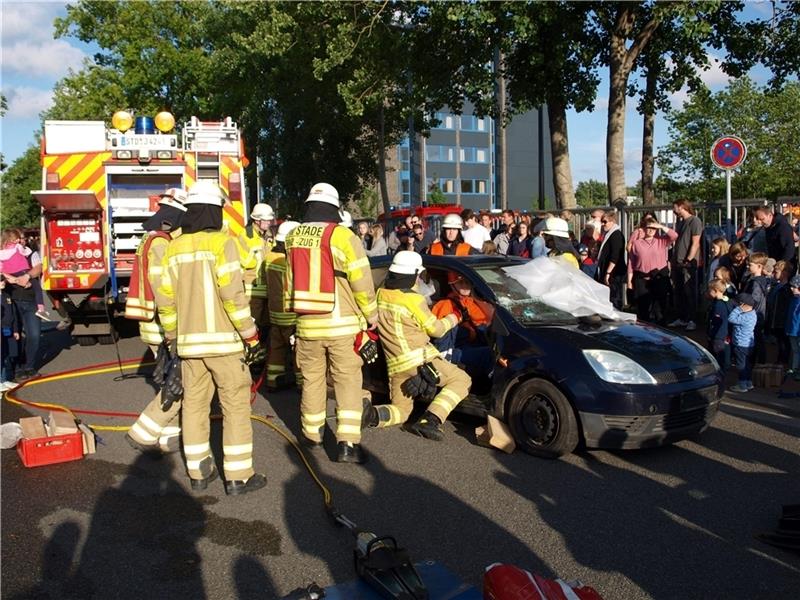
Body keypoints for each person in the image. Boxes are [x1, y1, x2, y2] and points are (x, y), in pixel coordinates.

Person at [157, 179, 267, 496]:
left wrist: (172, 337)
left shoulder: (174, 247)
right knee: (234, 407)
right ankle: (238, 476)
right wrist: (251, 336)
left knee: (194, 406)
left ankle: (198, 472)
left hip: (189, 347)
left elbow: (165, 299)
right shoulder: (223, 243)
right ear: (213, 212)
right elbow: (233, 295)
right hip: (225, 345)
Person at [284, 182, 378, 464]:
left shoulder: (293, 237)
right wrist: (371, 314)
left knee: (312, 380)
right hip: (342, 326)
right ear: (334, 208)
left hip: (306, 326)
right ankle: (348, 444)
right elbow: (361, 280)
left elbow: (289, 284)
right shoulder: (342, 236)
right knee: (347, 382)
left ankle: (312, 436)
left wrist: (292, 324)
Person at [362, 252, 471, 441]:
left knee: (402, 411)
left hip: (396, 367)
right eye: (418, 276)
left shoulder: (381, 293)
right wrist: (455, 318)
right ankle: (431, 420)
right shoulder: (413, 299)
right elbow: (435, 330)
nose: (419, 280)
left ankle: (371, 415)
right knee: (462, 380)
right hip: (422, 360)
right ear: (412, 275)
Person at [125, 188, 188, 455]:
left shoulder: (149, 239)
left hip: (151, 323)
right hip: (161, 324)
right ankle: (143, 432)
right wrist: (173, 331)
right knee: (179, 382)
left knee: (170, 383)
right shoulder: (161, 243)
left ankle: (168, 438)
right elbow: (164, 290)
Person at [1, 229, 44, 381]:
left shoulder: (30, 253)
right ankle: (17, 367)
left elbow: (38, 268)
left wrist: (27, 275)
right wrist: (10, 278)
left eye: (22, 239)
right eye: (17, 239)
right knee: (15, 334)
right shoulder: (2, 255)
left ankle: (29, 366)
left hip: (30, 299)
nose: (21, 241)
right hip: (11, 300)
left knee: (34, 334)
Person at [264, 220, 301, 390]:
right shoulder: (289, 261)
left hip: (274, 313)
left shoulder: (270, 257)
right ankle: (302, 383)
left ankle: (273, 380)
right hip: (290, 315)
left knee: (276, 349)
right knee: (298, 351)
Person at [431, 270, 493, 369]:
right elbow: (439, 336)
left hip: (475, 343)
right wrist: (468, 332)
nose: (464, 285)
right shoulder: (444, 305)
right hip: (456, 348)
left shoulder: (473, 301)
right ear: (452, 285)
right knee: (490, 355)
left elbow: (486, 323)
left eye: (467, 282)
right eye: (460, 282)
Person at [626, 216, 677, 323]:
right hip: (641, 278)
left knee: (660, 308)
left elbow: (674, 235)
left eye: (653, 228)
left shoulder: (661, 241)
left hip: (658, 277)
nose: (650, 230)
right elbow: (631, 262)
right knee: (643, 308)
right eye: (648, 228)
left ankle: (662, 329)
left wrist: (660, 226)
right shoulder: (636, 243)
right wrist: (629, 280)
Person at [669, 199, 703, 330]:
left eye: (675, 207)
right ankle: (682, 317)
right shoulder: (681, 222)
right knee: (679, 291)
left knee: (689, 291)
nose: (674, 210)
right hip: (678, 261)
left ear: (681, 207)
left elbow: (695, 242)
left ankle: (692, 319)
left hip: (687, 263)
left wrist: (688, 259)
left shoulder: (694, 221)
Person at [240, 203, 275, 333]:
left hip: (266, 287)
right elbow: (245, 262)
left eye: (269, 220)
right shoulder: (246, 235)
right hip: (252, 290)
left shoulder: (268, 234)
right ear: (256, 220)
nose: (269, 222)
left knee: (266, 323)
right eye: (265, 220)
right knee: (252, 322)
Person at [0, 230, 48, 320]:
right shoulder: (18, 247)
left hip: (9, 276)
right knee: (37, 286)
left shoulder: (2, 251)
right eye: (18, 238)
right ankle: (41, 308)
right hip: (22, 271)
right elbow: (26, 252)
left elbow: (1, 269)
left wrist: (14, 279)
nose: (20, 240)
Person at [595, 211, 626, 310]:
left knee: (614, 297)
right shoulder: (607, 234)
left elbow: (615, 255)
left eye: (605, 222)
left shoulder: (616, 235)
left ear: (612, 221)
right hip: (607, 270)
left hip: (614, 272)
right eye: (602, 222)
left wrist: (608, 272)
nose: (603, 224)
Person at [742, 252, 769, 364]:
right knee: (758, 338)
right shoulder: (763, 280)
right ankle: (759, 361)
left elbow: (754, 299)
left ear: (759, 266)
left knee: (754, 339)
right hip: (759, 314)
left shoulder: (756, 283)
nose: (748, 267)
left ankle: (754, 362)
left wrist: (743, 305)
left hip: (754, 314)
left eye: (750, 265)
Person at [728, 292, 757, 392]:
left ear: (742, 304)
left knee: (741, 365)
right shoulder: (753, 314)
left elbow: (731, 318)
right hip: (749, 344)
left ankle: (742, 385)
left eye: (738, 304)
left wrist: (738, 309)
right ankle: (748, 383)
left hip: (741, 344)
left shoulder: (744, 317)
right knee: (747, 364)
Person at [754, 205, 796, 275]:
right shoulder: (769, 226)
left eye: (762, 219)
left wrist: (782, 266)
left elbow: (789, 248)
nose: (760, 222)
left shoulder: (782, 226)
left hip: (784, 267)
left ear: (770, 215)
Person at [765, 260, 792, 365]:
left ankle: (783, 360)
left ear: (784, 273)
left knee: (783, 342)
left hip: (781, 320)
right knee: (779, 341)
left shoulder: (786, 289)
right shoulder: (777, 286)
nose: (773, 274)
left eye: (776, 272)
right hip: (775, 319)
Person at [706, 279, 735, 371]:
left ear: (715, 291)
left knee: (717, 357)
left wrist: (711, 334)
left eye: (709, 290)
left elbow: (716, 322)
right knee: (725, 355)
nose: (708, 292)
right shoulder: (728, 301)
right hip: (726, 334)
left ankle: (720, 374)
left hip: (719, 336)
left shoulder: (718, 305)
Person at [0, 277, 20, 392]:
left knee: (5, 354)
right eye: (0, 281)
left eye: (3, 280)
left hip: (8, 329)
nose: (3, 282)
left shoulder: (7, 296)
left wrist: (15, 330)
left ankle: (4, 379)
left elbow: (13, 314)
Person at [785, 275, 800, 379]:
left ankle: (797, 370)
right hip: (792, 329)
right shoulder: (793, 299)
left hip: (798, 330)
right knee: (795, 350)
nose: (791, 288)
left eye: (794, 286)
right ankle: (794, 369)